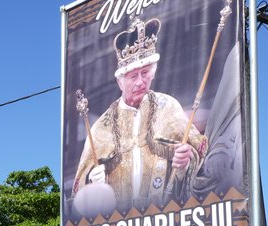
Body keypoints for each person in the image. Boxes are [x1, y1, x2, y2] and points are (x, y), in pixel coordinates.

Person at [72, 16, 206, 215]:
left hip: (164, 217)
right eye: (133, 76)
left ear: (153, 73)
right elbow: (79, 186)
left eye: (145, 73)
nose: (140, 82)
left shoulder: (168, 106)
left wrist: (185, 163)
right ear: (120, 82)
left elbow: (198, 150)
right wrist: (92, 179)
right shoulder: (102, 127)